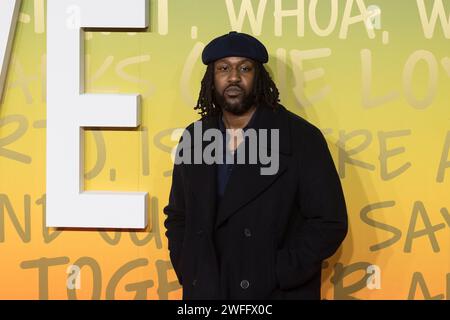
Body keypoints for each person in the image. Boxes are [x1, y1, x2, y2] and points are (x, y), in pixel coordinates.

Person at [163, 31, 348, 300]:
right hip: (208, 291)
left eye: (244, 68)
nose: (234, 77)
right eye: (223, 68)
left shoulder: (300, 138)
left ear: (258, 77)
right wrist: (189, 267)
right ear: (211, 79)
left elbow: (329, 222)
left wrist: (278, 271)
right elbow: (178, 215)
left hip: (274, 293)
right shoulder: (194, 137)